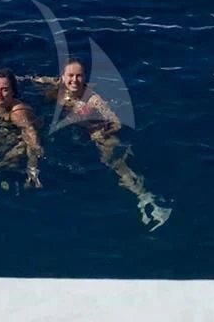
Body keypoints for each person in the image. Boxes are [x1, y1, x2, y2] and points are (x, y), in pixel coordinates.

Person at [31, 59, 171, 230]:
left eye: (79, 76)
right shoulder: (58, 85)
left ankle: (146, 198)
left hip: (96, 131)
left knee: (115, 164)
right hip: (73, 125)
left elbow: (116, 122)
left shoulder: (93, 99)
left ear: (85, 78)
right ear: (62, 76)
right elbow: (37, 80)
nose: (74, 80)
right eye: (70, 76)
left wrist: (101, 133)